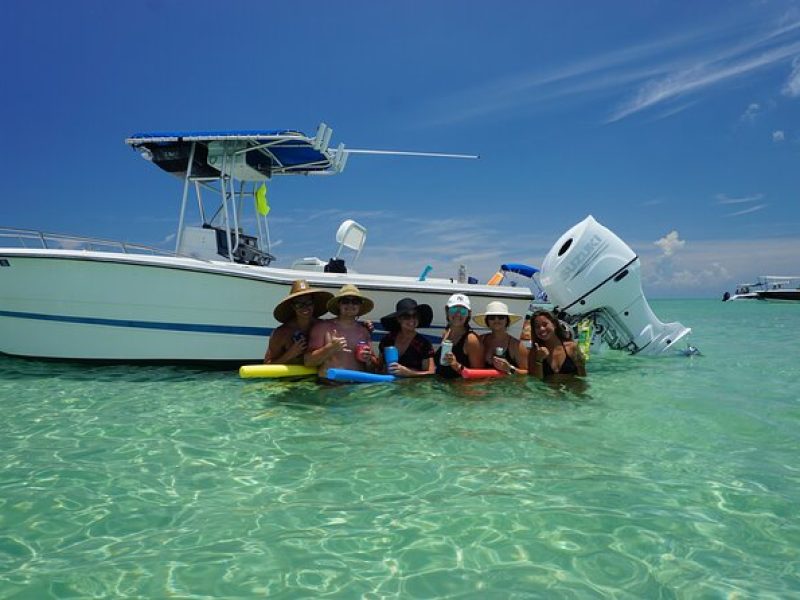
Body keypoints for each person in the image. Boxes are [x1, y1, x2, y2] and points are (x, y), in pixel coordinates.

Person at [306, 284, 378, 379]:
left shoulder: (364, 331)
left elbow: (374, 368)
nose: (350, 305)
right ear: (338, 304)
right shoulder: (322, 328)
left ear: (360, 306)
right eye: (345, 301)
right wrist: (330, 348)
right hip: (329, 385)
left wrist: (368, 360)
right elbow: (308, 361)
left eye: (355, 302)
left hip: (356, 386)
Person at [263, 280, 333, 364]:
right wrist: (290, 354)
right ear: (293, 307)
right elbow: (267, 365)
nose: (305, 307)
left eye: (309, 303)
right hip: (289, 376)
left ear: (314, 304)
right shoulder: (281, 333)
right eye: (299, 305)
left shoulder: (323, 327)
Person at [378, 297, 435, 377]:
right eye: (406, 316)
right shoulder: (387, 340)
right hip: (389, 386)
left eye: (415, 315)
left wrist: (409, 373)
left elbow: (430, 373)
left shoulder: (424, 344)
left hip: (413, 387)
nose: (412, 320)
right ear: (398, 319)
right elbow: (379, 367)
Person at [435, 293, 483, 378]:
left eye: (463, 311)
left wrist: (456, 366)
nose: (458, 314)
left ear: (468, 313)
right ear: (447, 310)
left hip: (459, 389)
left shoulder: (471, 340)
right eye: (454, 310)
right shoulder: (446, 333)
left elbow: (479, 377)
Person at [473, 301, 528, 375]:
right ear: (487, 321)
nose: (496, 320)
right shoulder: (479, 340)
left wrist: (509, 368)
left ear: (507, 320)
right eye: (492, 318)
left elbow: (527, 374)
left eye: (501, 317)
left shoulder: (516, 345)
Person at [528, 310, 586, 379]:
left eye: (545, 324)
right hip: (548, 389)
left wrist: (581, 365)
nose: (541, 329)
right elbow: (537, 381)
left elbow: (582, 377)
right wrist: (539, 360)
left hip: (572, 388)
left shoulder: (571, 347)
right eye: (537, 326)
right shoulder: (535, 352)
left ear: (554, 324)